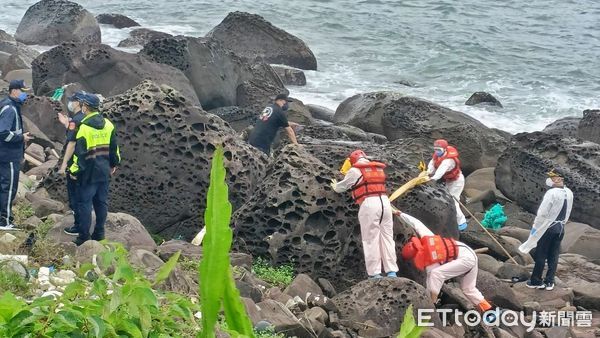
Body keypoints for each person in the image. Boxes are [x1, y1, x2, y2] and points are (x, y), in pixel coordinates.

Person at [397, 210, 493, 313]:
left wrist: (431, 301)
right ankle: (488, 309)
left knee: (436, 274)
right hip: (466, 250)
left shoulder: (431, 263)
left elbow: (434, 278)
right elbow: (417, 223)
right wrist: (400, 214)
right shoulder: (427, 237)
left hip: (466, 260)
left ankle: (433, 304)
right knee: (468, 288)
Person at [330, 150, 398, 279]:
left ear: (352, 160)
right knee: (388, 238)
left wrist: (335, 186)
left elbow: (342, 186)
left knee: (370, 239)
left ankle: (375, 273)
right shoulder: (378, 169)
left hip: (369, 204)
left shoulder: (355, 170)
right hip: (385, 203)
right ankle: (392, 271)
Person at [69, 94, 120, 245]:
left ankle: (84, 237)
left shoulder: (84, 128)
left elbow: (80, 155)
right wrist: (113, 164)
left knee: (84, 203)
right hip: (104, 171)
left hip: (88, 173)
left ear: (85, 107)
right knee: (101, 203)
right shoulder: (108, 124)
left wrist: (74, 171)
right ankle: (99, 233)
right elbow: (114, 149)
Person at [520, 169, 573, 291]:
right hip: (560, 228)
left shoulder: (552, 193)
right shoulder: (569, 192)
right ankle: (550, 281)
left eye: (553, 177)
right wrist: (563, 223)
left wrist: (535, 227)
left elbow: (542, 213)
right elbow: (568, 211)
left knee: (541, 253)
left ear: (560, 179)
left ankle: (536, 281)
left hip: (548, 227)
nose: (550, 179)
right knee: (554, 255)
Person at [0, 80, 34, 230]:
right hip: (8, 156)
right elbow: (3, 133)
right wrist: (21, 138)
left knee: (4, 186)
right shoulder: (9, 108)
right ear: (14, 91)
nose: (25, 94)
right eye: (23, 90)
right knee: (8, 188)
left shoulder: (11, 105)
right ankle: (4, 221)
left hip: (7, 155)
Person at [57, 91, 86, 236]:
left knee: (75, 195)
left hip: (76, 163)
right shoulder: (88, 118)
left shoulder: (76, 120)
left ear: (77, 103)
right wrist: (66, 124)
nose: (70, 103)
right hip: (88, 163)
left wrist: (63, 165)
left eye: (72, 101)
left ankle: (78, 226)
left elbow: (72, 142)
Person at [427, 139, 467, 231]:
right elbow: (431, 166)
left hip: (457, 181)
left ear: (444, 149)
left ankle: (462, 223)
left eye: (439, 150)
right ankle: (450, 219)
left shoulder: (449, 161)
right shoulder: (436, 156)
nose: (437, 152)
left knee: (453, 201)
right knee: (446, 199)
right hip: (447, 181)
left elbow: (439, 172)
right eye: (435, 149)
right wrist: (426, 173)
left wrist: (431, 179)